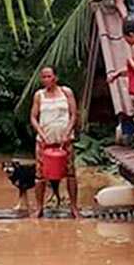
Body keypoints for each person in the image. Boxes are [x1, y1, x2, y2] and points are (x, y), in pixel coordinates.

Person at [29, 66, 80, 218]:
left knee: (70, 173)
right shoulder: (39, 95)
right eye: (43, 77)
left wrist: (68, 132)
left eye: (49, 76)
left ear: (55, 77)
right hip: (44, 141)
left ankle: (74, 207)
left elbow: (73, 114)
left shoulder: (66, 92)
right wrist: (41, 133)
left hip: (64, 140)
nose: (46, 79)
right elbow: (33, 117)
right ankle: (39, 207)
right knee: (40, 175)